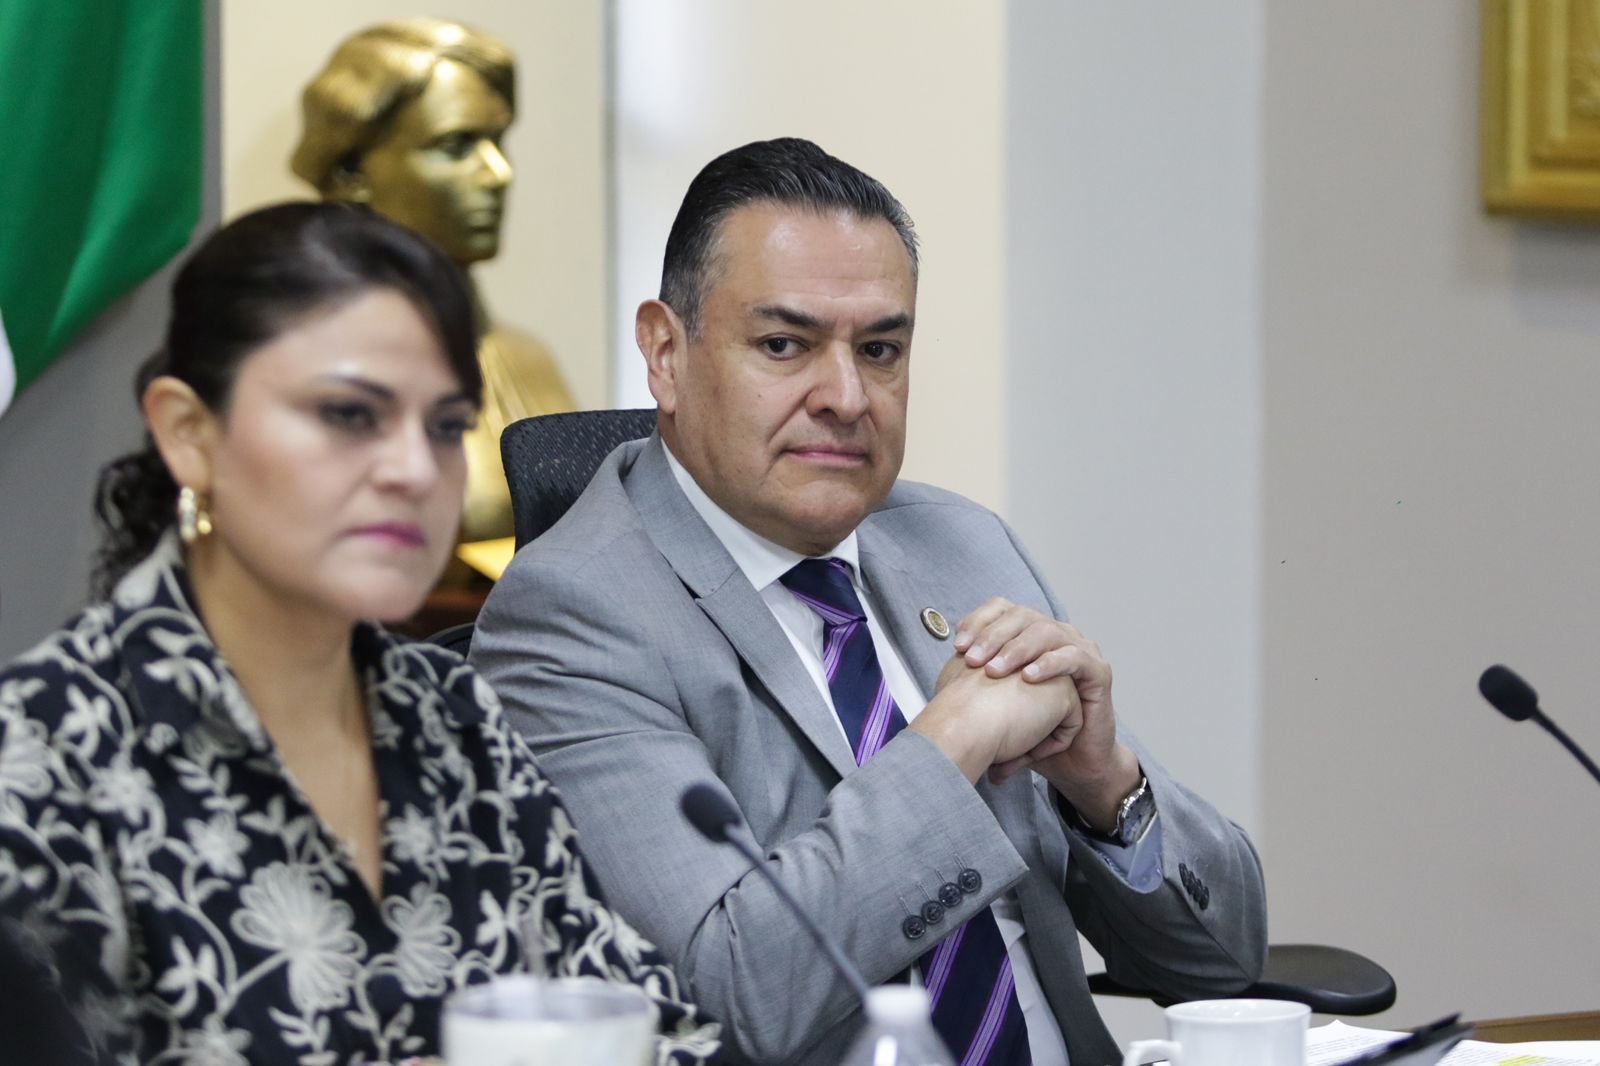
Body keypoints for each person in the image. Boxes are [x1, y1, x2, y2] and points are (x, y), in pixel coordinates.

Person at [472, 138, 1269, 1066]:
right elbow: (728, 994)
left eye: (880, 350)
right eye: (785, 345)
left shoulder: (960, 545)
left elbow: (1224, 962)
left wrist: (1103, 786)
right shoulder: (569, 616)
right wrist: (951, 742)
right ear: (665, 352)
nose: (847, 398)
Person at [0, 202, 719, 1066]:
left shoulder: (456, 718)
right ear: (189, 434)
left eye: (446, 427)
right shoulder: (44, 758)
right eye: (349, 414)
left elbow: (661, 1030)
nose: (415, 470)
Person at [293, 17, 575, 551]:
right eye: (456, 145)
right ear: (353, 173)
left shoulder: (530, 361)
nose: (499, 172)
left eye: (498, 141)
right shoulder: (320, 371)